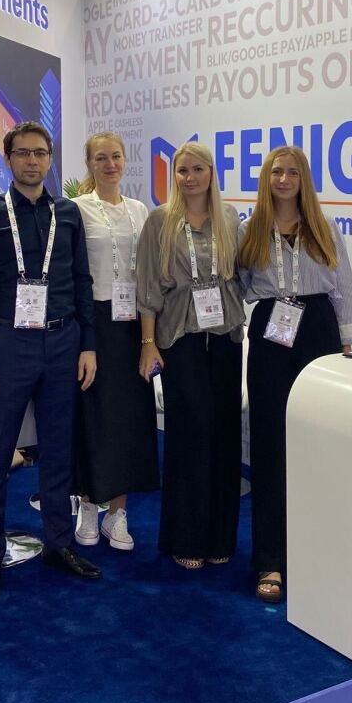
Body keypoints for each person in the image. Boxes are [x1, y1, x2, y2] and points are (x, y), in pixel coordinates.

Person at [0, 120, 100, 606]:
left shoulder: (68, 214)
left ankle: (59, 544)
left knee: (58, 449)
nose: (33, 161)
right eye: (23, 153)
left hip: (63, 342)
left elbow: (82, 281)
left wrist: (88, 344)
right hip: (7, 344)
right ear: (8, 158)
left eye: (41, 153)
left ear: (50, 158)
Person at [237, 146, 352, 603]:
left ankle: (318, 552)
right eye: (277, 172)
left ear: (303, 179)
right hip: (271, 332)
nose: (284, 179)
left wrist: (347, 345)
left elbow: (343, 288)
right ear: (266, 178)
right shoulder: (251, 230)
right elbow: (243, 286)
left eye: (292, 172)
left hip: (319, 330)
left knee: (318, 441)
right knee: (270, 444)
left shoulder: (325, 227)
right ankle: (270, 560)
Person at [136, 141, 244, 570]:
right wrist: (148, 343)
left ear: (211, 173)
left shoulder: (229, 218)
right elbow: (147, 287)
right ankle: (186, 536)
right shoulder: (160, 220)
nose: (190, 177)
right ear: (174, 175)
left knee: (224, 433)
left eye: (198, 169)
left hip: (225, 336)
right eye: (182, 170)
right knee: (189, 433)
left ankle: (219, 537)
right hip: (179, 338)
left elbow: (242, 274)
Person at [73, 132, 160, 550]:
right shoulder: (77, 209)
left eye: (117, 157)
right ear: (90, 164)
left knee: (128, 420)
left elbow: (148, 274)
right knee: (92, 417)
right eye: (101, 158)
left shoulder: (140, 210)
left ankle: (117, 514)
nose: (110, 165)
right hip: (93, 324)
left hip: (132, 325)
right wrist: (83, 338)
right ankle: (88, 506)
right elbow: (74, 275)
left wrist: (148, 339)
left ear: (126, 160)